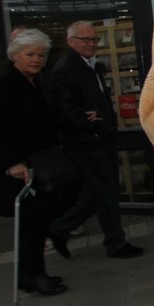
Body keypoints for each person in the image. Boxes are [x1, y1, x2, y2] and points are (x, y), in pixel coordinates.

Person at [47, 21, 143, 260]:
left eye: (94, 39)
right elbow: (64, 110)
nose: (91, 44)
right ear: (71, 41)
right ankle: (114, 243)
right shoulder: (66, 69)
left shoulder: (89, 66)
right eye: (85, 40)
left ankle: (61, 229)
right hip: (87, 143)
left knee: (97, 193)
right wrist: (87, 120)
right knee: (106, 193)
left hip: (100, 140)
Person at [0, 29, 68, 296]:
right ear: (15, 55)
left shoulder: (35, 80)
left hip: (39, 162)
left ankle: (33, 274)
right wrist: (12, 162)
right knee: (31, 223)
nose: (36, 59)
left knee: (39, 220)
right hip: (20, 166)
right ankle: (32, 275)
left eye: (41, 55)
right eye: (30, 54)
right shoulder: (3, 82)